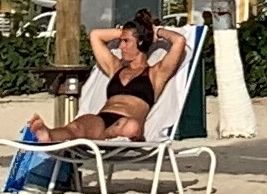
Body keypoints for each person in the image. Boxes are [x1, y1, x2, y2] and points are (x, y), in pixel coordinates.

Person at [19, 12, 180, 147]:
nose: (121, 46)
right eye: (121, 41)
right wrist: (124, 32)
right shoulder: (116, 67)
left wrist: (155, 32)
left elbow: (179, 41)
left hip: (127, 124)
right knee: (77, 127)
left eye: (126, 41)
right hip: (102, 118)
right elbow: (95, 35)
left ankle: (105, 136)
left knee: (131, 127)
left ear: (141, 42)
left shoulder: (155, 73)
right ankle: (48, 135)